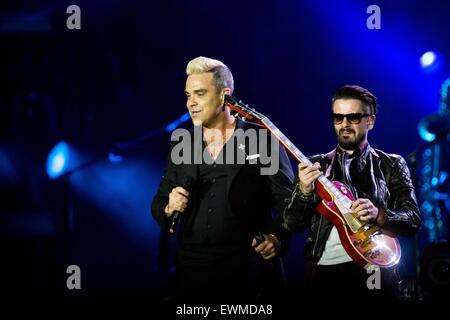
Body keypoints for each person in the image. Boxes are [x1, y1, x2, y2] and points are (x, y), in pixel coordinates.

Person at [151, 56, 294, 302]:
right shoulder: (182, 141)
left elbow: (288, 202)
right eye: (188, 95)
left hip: (245, 268)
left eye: (199, 94)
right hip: (193, 270)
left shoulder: (261, 138)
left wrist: (276, 237)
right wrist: (169, 206)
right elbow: (159, 203)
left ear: (224, 95)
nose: (191, 103)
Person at [283, 85, 421, 300]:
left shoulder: (391, 163)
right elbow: (292, 224)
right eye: (338, 118)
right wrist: (303, 191)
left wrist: (379, 214)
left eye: (353, 117)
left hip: (374, 269)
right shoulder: (315, 165)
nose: (344, 125)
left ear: (371, 121)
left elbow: (413, 220)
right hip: (323, 272)